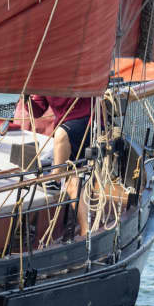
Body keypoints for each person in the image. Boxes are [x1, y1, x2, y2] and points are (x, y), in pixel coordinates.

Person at [27, 95, 92, 235]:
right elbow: (37, 111)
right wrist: (26, 96)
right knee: (72, 181)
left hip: (89, 122)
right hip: (67, 128)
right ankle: (87, 232)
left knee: (61, 133)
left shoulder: (78, 73)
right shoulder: (46, 78)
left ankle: (55, 178)